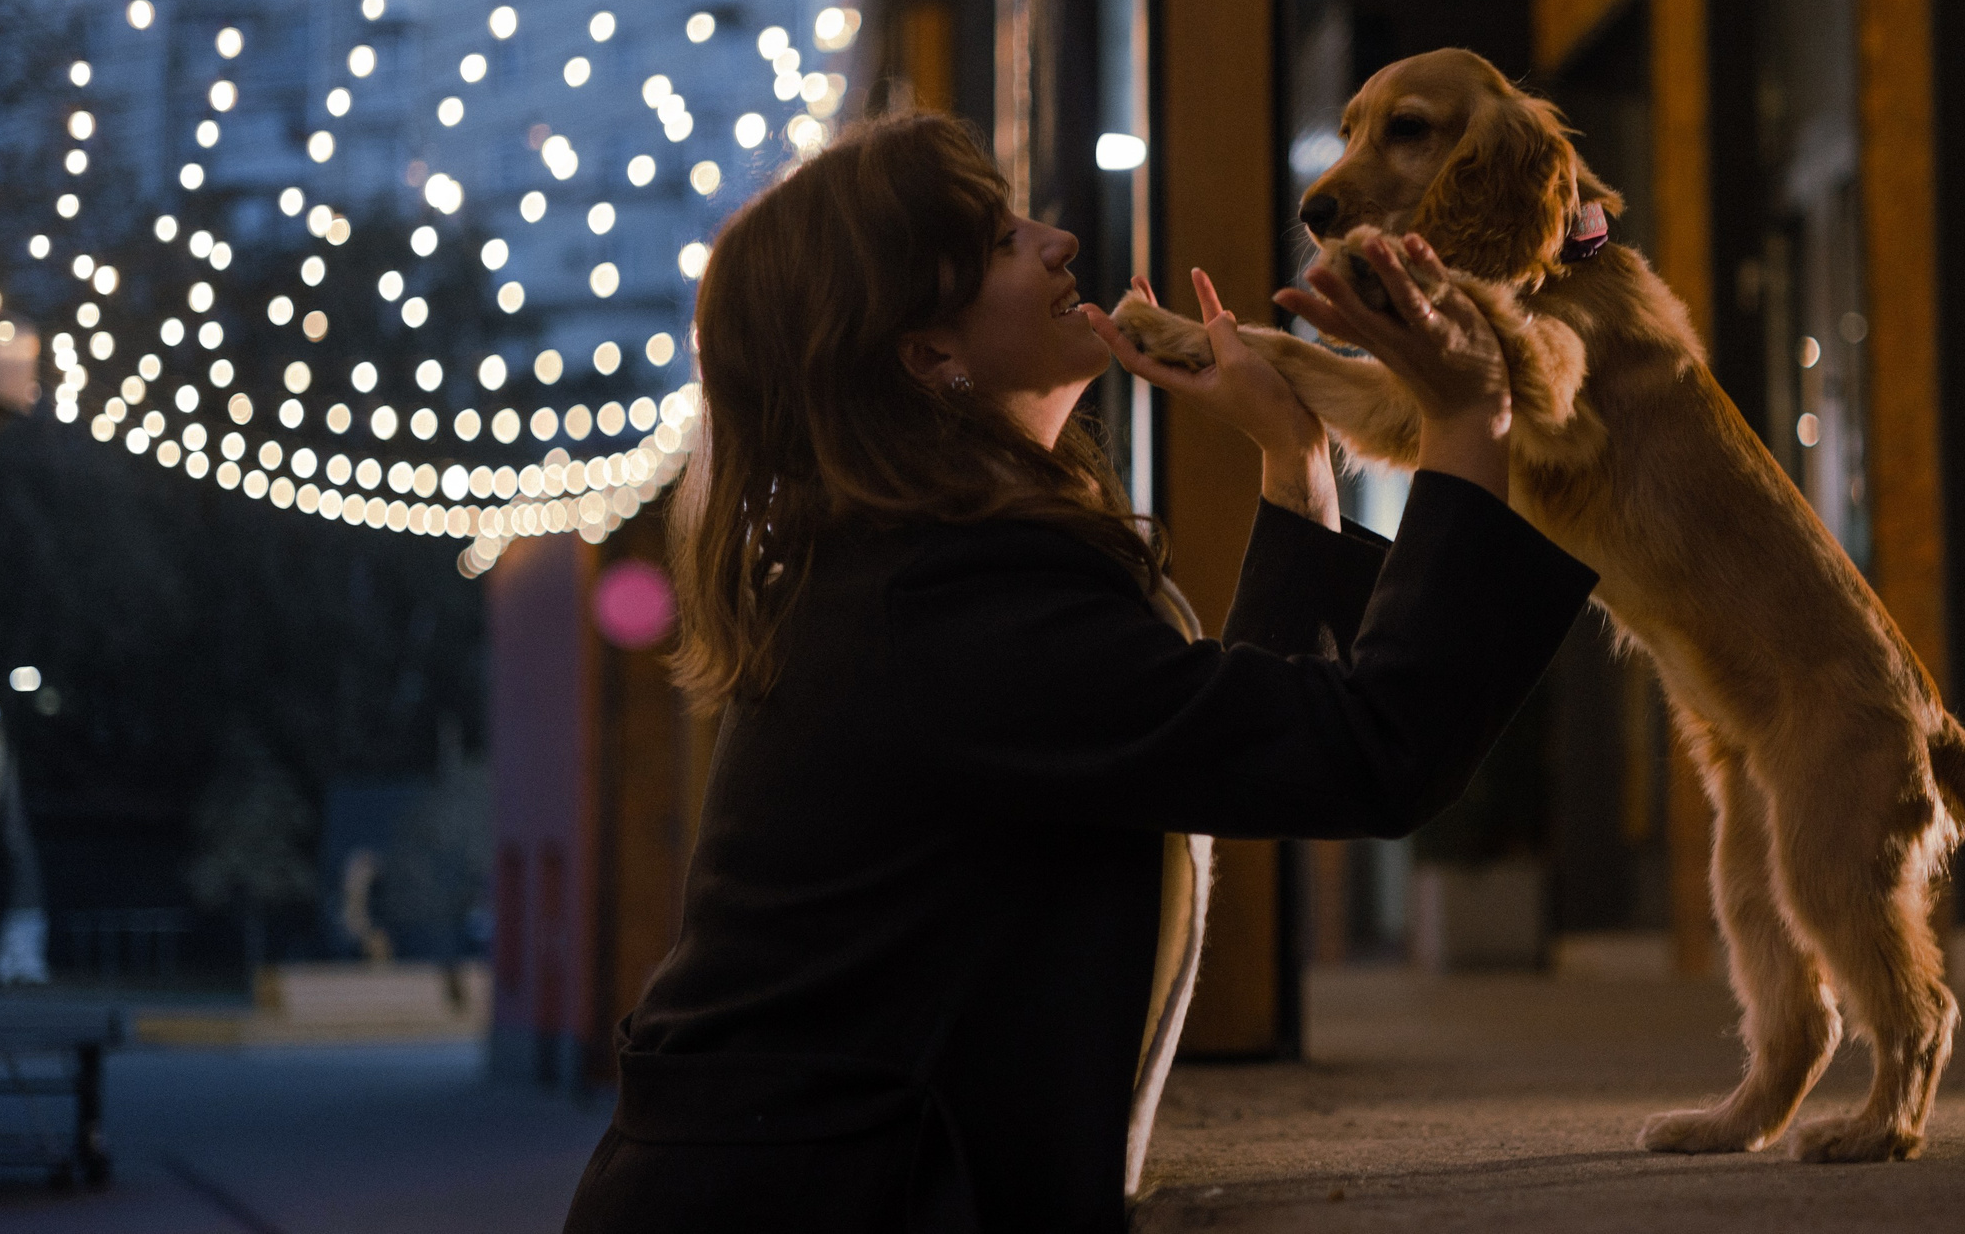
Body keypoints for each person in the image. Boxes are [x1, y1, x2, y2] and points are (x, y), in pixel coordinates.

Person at [561, 111, 1595, 1232]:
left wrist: (1292, 459)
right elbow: (1364, 750)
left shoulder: (918, 574)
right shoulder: (944, 606)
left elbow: (1212, 744)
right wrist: (1467, 416)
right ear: (929, 355)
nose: (1057, 241)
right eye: (1003, 242)